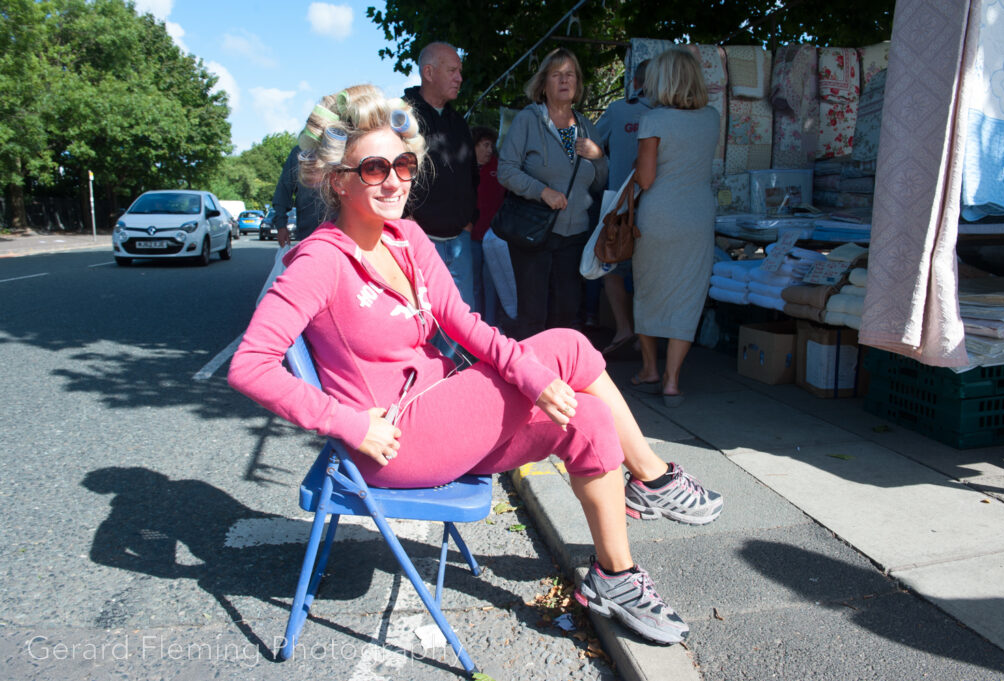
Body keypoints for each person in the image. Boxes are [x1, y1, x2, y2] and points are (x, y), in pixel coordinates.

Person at [227, 84, 722, 646]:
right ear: (339, 180)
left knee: (588, 416)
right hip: (394, 440)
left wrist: (530, 378)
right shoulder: (319, 260)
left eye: (404, 164)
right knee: (569, 345)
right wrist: (348, 424)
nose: (393, 180)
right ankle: (653, 478)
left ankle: (615, 575)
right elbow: (251, 365)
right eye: (372, 168)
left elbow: (465, 324)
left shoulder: (407, 238)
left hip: (445, 412)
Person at [497, 48, 607, 340]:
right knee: (533, 316)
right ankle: (528, 381)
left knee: (567, 315)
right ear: (543, 84)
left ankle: (561, 378)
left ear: (578, 83)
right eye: (556, 74)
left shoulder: (585, 126)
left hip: (575, 237)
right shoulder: (529, 120)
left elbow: (599, 184)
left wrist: (599, 157)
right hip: (535, 232)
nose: (564, 80)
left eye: (570, 74)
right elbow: (506, 169)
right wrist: (541, 191)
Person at [630, 49, 720, 407]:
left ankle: (650, 368)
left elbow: (646, 179)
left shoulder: (653, 120)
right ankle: (672, 380)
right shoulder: (711, 117)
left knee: (648, 289)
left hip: (660, 215)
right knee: (688, 294)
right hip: (698, 215)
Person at [403, 42, 477, 308]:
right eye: (452, 71)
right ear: (429, 72)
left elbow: (471, 175)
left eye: (460, 71)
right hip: (419, 241)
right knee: (423, 320)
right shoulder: (402, 117)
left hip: (459, 242)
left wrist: (469, 220)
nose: (459, 78)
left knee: (462, 320)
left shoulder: (457, 121)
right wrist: (405, 221)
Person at [593, 59, 652, 356]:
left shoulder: (619, 109)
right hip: (653, 203)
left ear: (636, 83)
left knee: (610, 264)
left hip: (619, 202)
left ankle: (624, 328)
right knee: (646, 272)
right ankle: (645, 337)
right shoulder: (671, 113)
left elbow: (593, 144)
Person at [470, 126, 504, 325]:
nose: (489, 149)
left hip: (493, 237)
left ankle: (491, 327)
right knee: (473, 284)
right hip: (470, 236)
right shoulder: (464, 168)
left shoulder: (497, 167)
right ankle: (473, 328)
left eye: (491, 145)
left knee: (492, 285)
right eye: (485, 145)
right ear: (474, 146)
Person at [271, 145, 330, 246]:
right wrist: (281, 226)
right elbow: (283, 191)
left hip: (347, 232)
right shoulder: (299, 152)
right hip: (310, 233)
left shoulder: (346, 145)